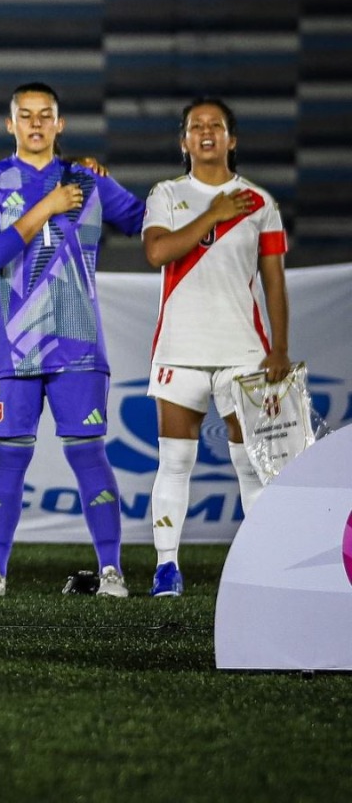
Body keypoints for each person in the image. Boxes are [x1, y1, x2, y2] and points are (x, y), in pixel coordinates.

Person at [0, 83, 145, 598]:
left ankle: (112, 573)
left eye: (46, 116)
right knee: (9, 456)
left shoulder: (89, 179)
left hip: (78, 345)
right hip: (11, 347)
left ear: (59, 124)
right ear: (10, 123)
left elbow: (146, 225)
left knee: (89, 453)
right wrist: (48, 206)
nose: (36, 123)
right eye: (26, 115)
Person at [142, 98, 290, 598]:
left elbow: (274, 284)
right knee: (174, 460)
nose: (206, 133)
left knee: (250, 461)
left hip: (243, 350)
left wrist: (279, 348)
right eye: (196, 127)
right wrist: (214, 214)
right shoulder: (167, 194)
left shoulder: (259, 202)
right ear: (183, 141)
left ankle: (263, 562)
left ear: (232, 138)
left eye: (216, 126)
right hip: (179, 347)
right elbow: (158, 252)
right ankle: (167, 567)